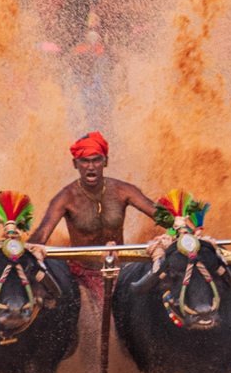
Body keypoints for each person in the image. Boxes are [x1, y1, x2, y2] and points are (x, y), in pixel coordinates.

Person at [30, 131, 156, 305]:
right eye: (85, 161)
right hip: (81, 277)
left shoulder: (124, 190)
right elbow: (41, 237)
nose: (91, 166)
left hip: (120, 273)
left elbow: (161, 215)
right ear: (76, 164)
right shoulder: (66, 197)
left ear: (105, 162)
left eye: (96, 160)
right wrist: (15, 249)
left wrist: (184, 225)